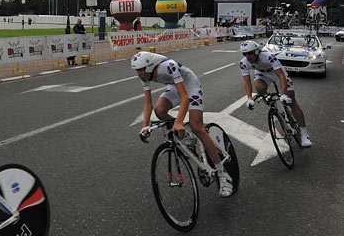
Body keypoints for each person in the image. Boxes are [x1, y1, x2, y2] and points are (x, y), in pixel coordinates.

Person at [131, 51, 234, 197]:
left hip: (191, 86)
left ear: (150, 66)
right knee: (159, 110)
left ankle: (223, 175)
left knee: (197, 126)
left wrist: (179, 122)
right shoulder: (145, 76)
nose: (139, 74)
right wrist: (144, 126)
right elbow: (148, 102)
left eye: (141, 70)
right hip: (174, 86)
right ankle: (186, 135)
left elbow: (185, 96)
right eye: (136, 70)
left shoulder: (169, 66)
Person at [238, 40, 312, 146]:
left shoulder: (268, 56)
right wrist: (249, 98)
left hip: (276, 73)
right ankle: (272, 105)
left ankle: (304, 134)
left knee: (291, 100)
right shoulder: (243, 63)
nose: (248, 56)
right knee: (259, 86)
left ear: (257, 51)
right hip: (262, 73)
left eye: (250, 53)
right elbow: (246, 81)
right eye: (244, 54)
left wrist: (283, 94)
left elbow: (281, 75)